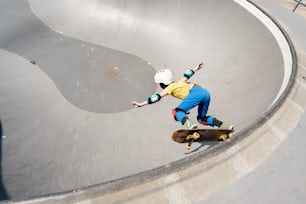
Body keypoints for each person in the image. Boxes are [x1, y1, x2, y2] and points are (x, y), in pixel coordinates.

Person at [131, 62, 233, 130]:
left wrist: (141, 104)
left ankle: (189, 125)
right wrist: (196, 68)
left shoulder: (168, 88)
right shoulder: (180, 81)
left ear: (162, 83)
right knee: (202, 118)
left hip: (194, 94)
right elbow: (187, 74)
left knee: (176, 112)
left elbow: (156, 97)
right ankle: (225, 126)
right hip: (205, 93)